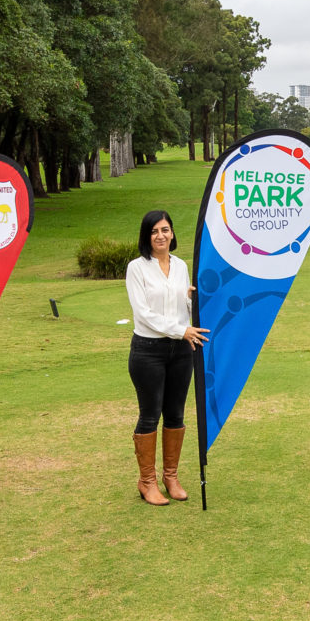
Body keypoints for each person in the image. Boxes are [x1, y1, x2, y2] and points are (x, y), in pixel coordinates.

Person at [126, 209, 206, 505]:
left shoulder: (181, 265)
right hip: (149, 350)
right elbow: (143, 314)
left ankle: (170, 476)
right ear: (147, 236)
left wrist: (191, 300)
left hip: (181, 350)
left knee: (176, 413)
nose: (160, 236)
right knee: (150, 414)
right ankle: (147, 481)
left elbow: (182, 306)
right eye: (154, 231)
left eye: (165, 230)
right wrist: (180, 329)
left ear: (172, 233)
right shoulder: (137, 268)